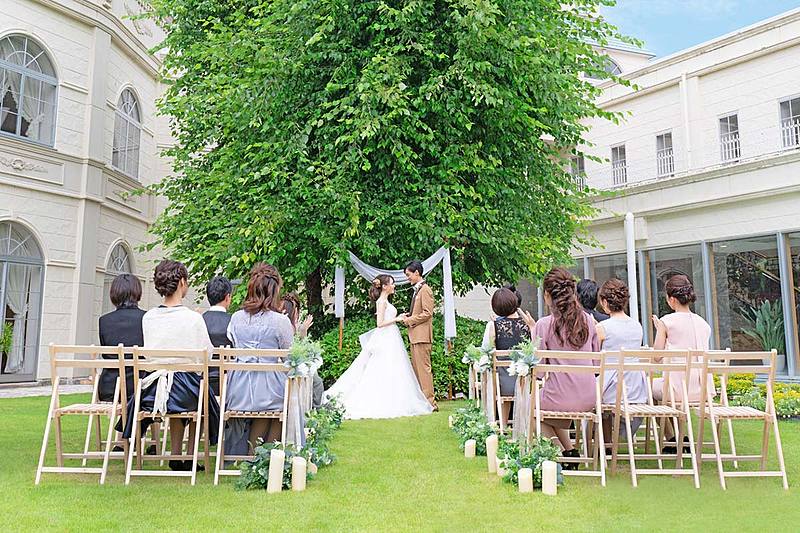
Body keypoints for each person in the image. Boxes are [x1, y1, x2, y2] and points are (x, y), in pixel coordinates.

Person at [123, 260, 220, 472]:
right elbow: (208, 353)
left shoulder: (148, 317)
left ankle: (176, 453)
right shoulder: (193, 318)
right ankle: (190, 454)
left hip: (152, 391)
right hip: (186, 392)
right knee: (199, 392)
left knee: (181, 385)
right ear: (182, 282)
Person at [325, 275, 433, 419]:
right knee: (383, 366)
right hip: (386, 337)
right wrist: (397, 319)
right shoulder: (381, 302)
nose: (394, 286)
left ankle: (395, 399)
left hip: (392, 336)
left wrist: (399, 317)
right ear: (384, 286)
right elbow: (380, 323)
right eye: (392, 284)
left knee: (395, 368)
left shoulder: (386, 301)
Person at [223, 263, 294, 454]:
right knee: (286, 404)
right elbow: (290, 356)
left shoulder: (236, 318)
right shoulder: (281, 321)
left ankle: (254, 454)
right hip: (268, 392)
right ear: (274, 291)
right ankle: (263, 457)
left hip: (238, 391)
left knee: (271, 404)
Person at [534, 267, 600, 469]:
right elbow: (596, 364)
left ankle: (560, 454)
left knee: (532, 408)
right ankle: (570, 451)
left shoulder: (544, 325)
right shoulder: (589, 321)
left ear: (547, 295)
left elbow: (539, 371)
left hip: (560, 397)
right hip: (589, 397)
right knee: (550, 408)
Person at [651, 274, 714, 446]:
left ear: (672, 299)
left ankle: (672, 438)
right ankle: (680, 437)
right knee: (662, 388)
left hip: (677, 389)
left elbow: (656, 356)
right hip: (703, 390)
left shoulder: (667, 321)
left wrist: (659, 329)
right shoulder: (704, 324)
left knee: (647, 388)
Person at [596, 278, 645, 441]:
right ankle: (609, 441)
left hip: (611, 388)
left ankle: (602, 443)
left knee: (591, 391)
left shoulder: (603, 327)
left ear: (604, 302)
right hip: (636, 388)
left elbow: (594, 359)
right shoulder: (637, 326)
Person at [481, 288, 536, 425]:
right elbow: (535, 350)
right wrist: (532, 327)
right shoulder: (527, 326)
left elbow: (486, 351)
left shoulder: (493, 326)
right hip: (524, 382)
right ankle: (524, 426)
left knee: (500, 372)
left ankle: (503, 425)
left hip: (502, 385)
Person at [98, 274, 146, 403]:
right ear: (137, 292)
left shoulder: (104, 320)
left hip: (110, 387)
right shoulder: (147, 318)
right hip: (141, 386)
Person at [399, 260, 437, 410]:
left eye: (408, 274)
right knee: (417, 371)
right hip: (415, 336)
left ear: (417, 273)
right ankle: (423, 402)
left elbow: (427, 313)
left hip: (422, 337)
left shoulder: (425, 289)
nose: (407, 278)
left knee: (424, 370)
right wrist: (409, 315)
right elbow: (419, 311)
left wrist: (410, 320)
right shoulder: (418, 290)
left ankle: (430, 403)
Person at [281, 292, 323, 408]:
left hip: (292, 363)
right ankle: (316, 408)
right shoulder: (285, 325)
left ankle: (315, 407)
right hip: (290, 364)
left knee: (315, 378)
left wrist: (303, 332)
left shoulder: (295, 325)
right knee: (317, 381)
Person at [202, 275, 233, 397]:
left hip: (202, 383)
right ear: (227, 297)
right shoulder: (233, 322)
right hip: (228, 383)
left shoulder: (200, 320)